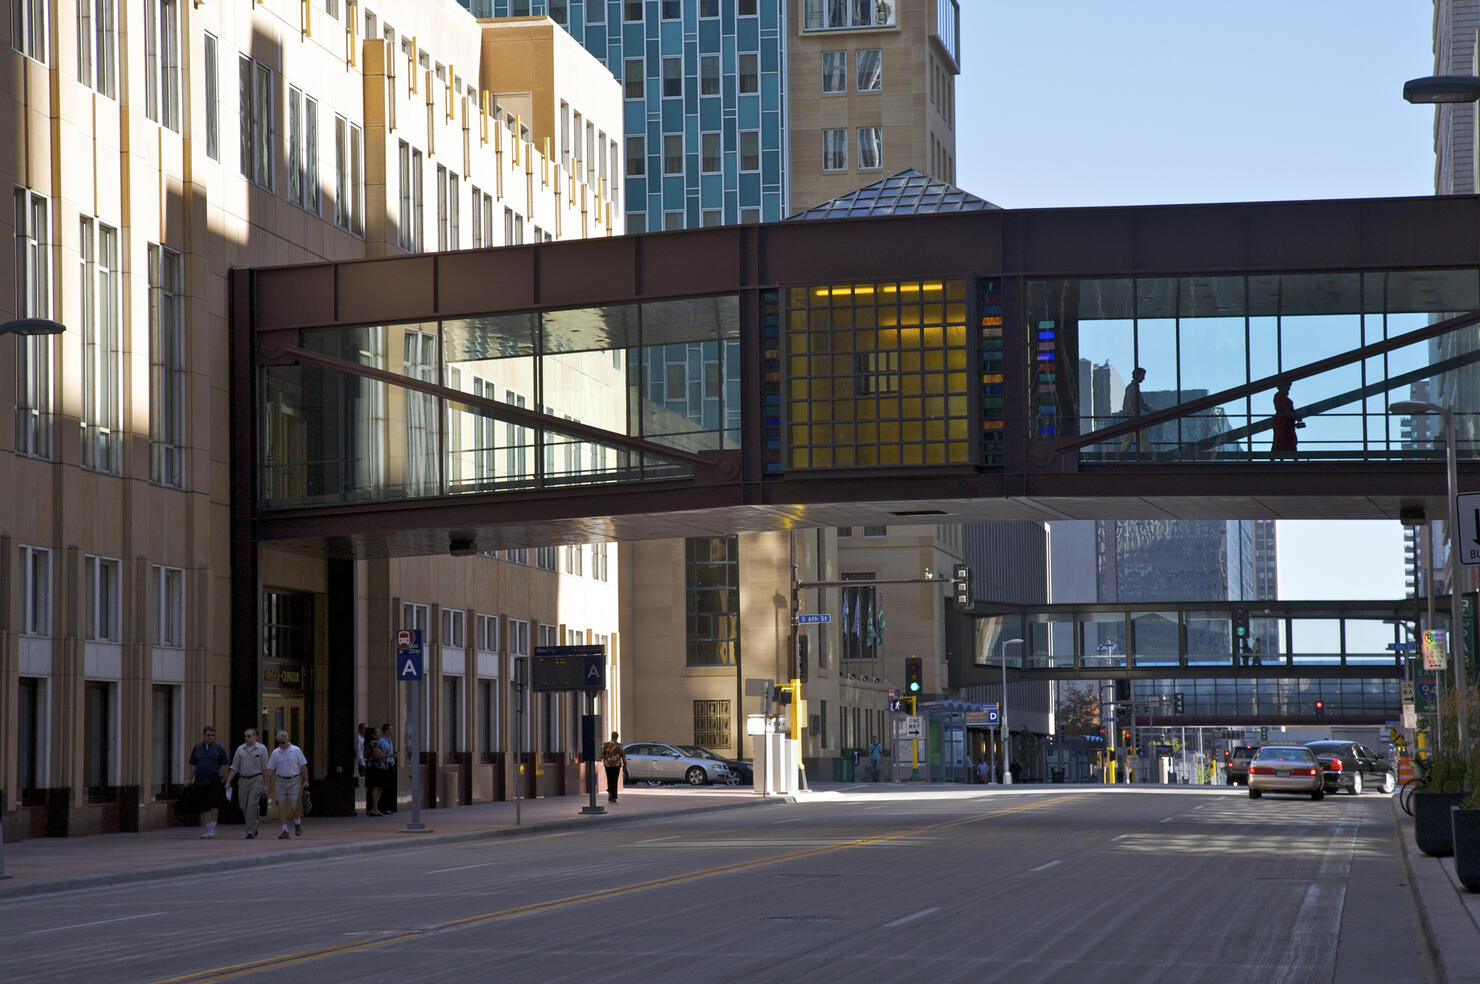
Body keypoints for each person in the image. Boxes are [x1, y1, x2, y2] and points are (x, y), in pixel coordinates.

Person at [186, 726, 230, 838]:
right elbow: (193, 764)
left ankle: (213, 828)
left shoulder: (218, 748)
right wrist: (190, 779)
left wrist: (220, 775)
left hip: (214, 780)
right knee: (203, 805)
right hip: (201, 781)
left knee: (214, 804)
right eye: (208, 735)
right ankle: (208, 828)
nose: (210, 737)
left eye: (212, 735)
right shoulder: (197, 748)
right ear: (204, 735)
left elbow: (224, 762)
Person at [226, 728, 270, 839]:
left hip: (257, 779)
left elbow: (265, 768)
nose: (247, 738)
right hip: (243, 779)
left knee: (252, 804)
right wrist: (228, 781)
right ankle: (254, 823)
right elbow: (235, 767)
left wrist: (266, 784)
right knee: (243, 804)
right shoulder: (240, 749)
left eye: (249, 736)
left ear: (255, 737)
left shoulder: (261, 749)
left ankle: (250, 831)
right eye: (245, 736)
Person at [265, 730, 309, 839]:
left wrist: (306, 780)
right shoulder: (275, 753)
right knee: (281, 806)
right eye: (279, 743)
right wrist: (267, 784)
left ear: (287, 740)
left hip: (294, 780)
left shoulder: (295, 750)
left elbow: (303, 766)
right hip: (280, 780)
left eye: (283, 742)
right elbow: (270, 769)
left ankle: (297, 822)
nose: (281, 745)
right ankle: (284, 830)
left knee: (294, 807)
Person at [1119, 367, 1147, 454]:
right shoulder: (1132, 388)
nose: (1144, 378)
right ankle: (1148, 455)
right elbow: (1130, 404)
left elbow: (1141, 404)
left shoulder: (1132, 388)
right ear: (1138, 376)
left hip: (1131, 417)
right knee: (1142, 438)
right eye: (1142, 376)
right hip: (1133, 417)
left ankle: (1122, 457)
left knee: (1127, 439)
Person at [365, 726, 392, 815]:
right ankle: (374, 808)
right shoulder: (374, 743)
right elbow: (377, 756)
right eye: (377, 732)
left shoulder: (378, 742)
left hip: (381, 767)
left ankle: (375, 808)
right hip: (376, 768)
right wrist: (390, 755)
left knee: (380, 787)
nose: (379, 733)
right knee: (376, 786)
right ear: (373, 735)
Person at [1271, 382, 1299, 457]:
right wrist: (1295, 417)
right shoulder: (1280, 397)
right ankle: (1290, 457)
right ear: (1282, 387)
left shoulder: (1280, 396)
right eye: (1287, 386)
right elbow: (1286, 410)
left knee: (1283, 438)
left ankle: (1277, 457)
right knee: (1282, 438)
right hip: (1283, 422)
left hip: (1286, 422)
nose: (1289, 388)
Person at [601, 732, 626, 802]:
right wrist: (625, 765)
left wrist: (607, 757)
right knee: (615, 780)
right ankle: (614, 796)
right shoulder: (619, 746)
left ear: (611, 736)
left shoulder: (606, 745)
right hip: (616, 765)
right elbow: (623, 756)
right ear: (617, 737)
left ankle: (610, 793)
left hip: (608, 764)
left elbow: (602, 755)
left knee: (609, 779)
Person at [379, 723, 398, 813]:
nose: (391, 731)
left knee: (389, 788)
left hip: (390, 766)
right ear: (386, 731)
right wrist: (391, 756)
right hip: (385, 766)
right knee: (385, 787)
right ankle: (383, 807)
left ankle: (388, 807)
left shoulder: (389, 740)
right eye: (390, 729)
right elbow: (381, 754)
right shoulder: (382, 741)